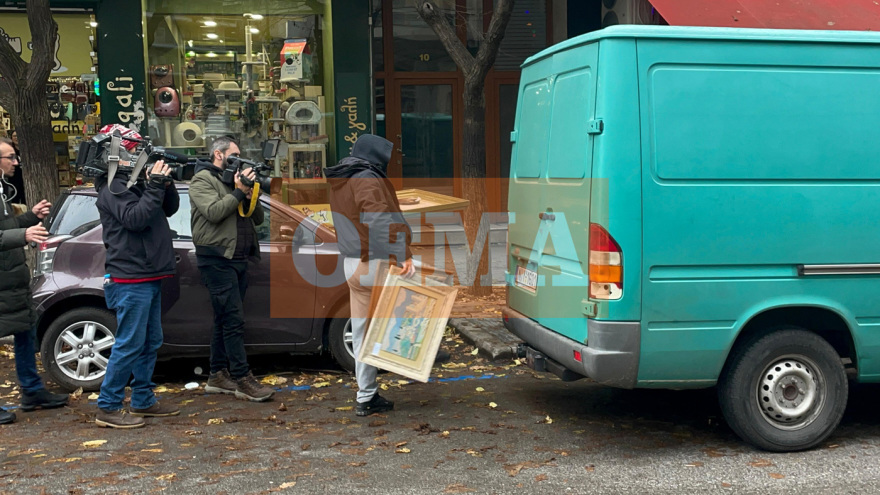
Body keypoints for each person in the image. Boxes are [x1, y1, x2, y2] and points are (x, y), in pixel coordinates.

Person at [326, 134, 449, 417]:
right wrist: (402, 254)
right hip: (375, 261)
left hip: (352, 264)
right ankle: (420, 351)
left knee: (363, 332)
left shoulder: (343, 176)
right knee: (425, 295)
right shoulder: (367, 178)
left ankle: (366, 396)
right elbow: (378, 219)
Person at [94, 127, 181, 428]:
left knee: (150, 341)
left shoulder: (135, 182)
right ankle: (108, 406)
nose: (138, 156)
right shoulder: (113, 187)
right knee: (130, 343)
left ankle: (142, 399)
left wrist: (164, 183)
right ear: (115, 154)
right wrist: (154, 185)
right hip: (130, 277)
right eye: (132, 151)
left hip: (147, 273)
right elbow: (135, 219)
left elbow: (169, 209)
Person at [190, 136, 274, 402]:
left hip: (238, 259)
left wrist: (250, 193)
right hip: (216, 259)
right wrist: (238, 191)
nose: (239, 160)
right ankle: (242, 379)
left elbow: (257, 218)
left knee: (224, 319)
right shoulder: (202, 179)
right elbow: (213, 212)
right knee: (234, 320)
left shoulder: (234, 181)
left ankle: (217, 375)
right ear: (219, 154)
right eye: (234, 155)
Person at [0, 137, 68, 424]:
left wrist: (30, 217)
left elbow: (6, 226)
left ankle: (32, 391)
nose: (16, 162)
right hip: (4, 281)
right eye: (10, 157)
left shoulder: (2, 189)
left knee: (25, 331)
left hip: (12, 280)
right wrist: (23, 235)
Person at [5, 131, 26, 205]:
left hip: (25, 180)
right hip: (13, 180)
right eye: (14, 136)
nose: (16, 138)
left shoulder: (26, 150)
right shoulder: (10, 150)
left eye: (18, 136)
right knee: (14, 201)